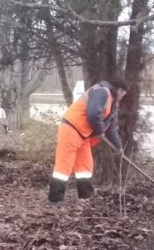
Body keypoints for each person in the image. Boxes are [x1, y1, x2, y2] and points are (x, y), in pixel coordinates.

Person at [48, 76, 129, 204]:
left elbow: (111, 128)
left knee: (84, 167)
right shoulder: (103, 92)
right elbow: (93, 113)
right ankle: (55, 200)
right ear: (119, 90)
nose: (123, 97)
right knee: (64, 166)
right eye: (123, 93)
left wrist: (119, 147)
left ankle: (85, 197)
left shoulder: (111, 104)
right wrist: (100, 130)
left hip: (83, 135)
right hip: (71, 128)